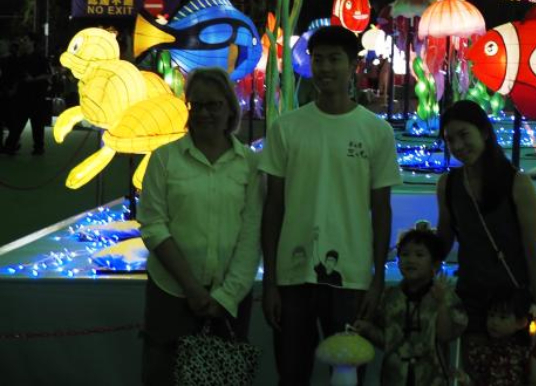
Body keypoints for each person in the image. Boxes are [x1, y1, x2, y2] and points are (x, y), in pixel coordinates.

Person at [260, 25, 402, 384]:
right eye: (318, 59)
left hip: (351, 278)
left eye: (334, 59)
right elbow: (273, 207)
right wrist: (271, 281)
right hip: (293, 276)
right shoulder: (286, 127)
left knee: (347, 377)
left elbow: (381, 210)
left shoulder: (376, 131)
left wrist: (376, 280)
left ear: (353, 65)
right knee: (292, 375)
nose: (325, 68)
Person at [138, 68, 263, 384]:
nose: (204, 113)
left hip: (230, 297)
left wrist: (227, 295)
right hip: (171, 292)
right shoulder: (164, 159)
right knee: (161, 374)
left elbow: (251, 233)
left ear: (230, 108)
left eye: (214, 105)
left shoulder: (249, 163)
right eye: (197, 105)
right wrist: (191, 288)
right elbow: (153, 225)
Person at [435, 100, 536, 386]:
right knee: (473, 374)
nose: (458, 146)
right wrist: (419, 248)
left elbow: (533, 254)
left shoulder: (517, 183)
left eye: (464, 135)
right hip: (470, 299)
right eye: (450, 140)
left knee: (511, 374)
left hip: (510, 305)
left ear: (484, 132)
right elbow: (443, 240)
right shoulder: (448, 184)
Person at [353, 227, 464, 386]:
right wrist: (368, 329)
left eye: (419, 255)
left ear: (436, 264)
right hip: (394, 378)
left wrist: (442, 304)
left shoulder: (445, 296)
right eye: (405, 254)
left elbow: (446, 336)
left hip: (432, 379)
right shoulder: (389, 297)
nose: (411, 260)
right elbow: (388, 341)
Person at [464, 288, 536, 386]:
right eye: (491, 315)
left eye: (503, 317)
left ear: (520, 322)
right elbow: (475, 378)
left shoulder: (523, 352)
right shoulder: (480, 349)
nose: (494, 322)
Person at [1, 36, 51, 155]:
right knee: (18, 123)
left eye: (26, 40)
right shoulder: (20, 59)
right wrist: (13, 89)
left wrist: (33, 79)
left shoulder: (41, 58)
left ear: (32, 42)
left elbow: (48, 75)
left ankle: (38, 147)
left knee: (37, 123)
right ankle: (10, 145)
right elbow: (16, 76)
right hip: (22, 95)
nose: (23, 42)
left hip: (37, 95)